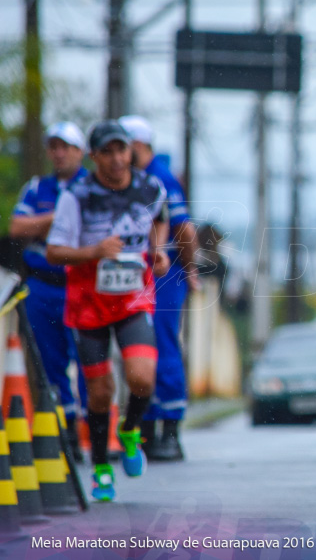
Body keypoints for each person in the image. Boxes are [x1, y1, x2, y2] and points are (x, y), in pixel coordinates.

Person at [46, 120, 170, 502]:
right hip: (88, 305)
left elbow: (160, 219)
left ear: (130, 151)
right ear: (94, 157)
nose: (118, 159)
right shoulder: (77, 195)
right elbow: (54, 251)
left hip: (133, 298)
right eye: (109, 152)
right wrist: (94, 252)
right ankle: (101, 464)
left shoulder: (151, 187)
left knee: (143, 378)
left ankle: (131, 429)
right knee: (99, 393)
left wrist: (158, 250)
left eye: (123, 150)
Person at [119, 115, 197, 462]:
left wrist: (190, 269)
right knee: (139, 350)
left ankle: (170, 429)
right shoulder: (128, 180)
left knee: (162, 345)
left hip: (163, 273)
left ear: (139, 145)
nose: (118, 155)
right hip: (133, 272)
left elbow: (185, 231)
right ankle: (145, 428)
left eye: (123, 147)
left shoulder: (161, 179)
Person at [10, 122, 89, 461]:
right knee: (50, 363)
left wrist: (44, 224)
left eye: (65, 147)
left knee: (89, 359)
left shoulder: (93, 187)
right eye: (53, 146)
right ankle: (65, 430)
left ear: (80, 152)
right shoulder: (38, 187)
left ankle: (94, 429)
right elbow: (17, 227)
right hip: (44, 286)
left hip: (81, 286)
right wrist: (58, 217)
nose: (58, 153)